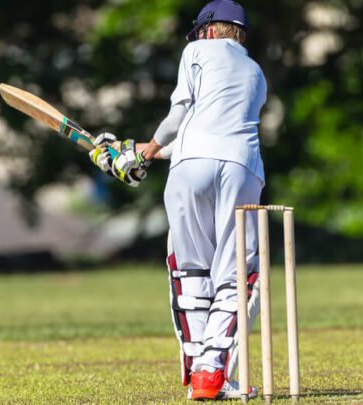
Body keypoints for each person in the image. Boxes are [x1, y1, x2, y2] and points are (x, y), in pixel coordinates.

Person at [90, 0, 266, 400]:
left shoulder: (195, 51)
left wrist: (140, 154)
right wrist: (134, 149)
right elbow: (212, 134)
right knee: (234, 273)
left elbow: (180, 117)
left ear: (207, 30)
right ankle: (211, 374)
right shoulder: (256, 72)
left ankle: (197, 373)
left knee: (190, 270)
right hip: (243, 167)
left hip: (190, 168)